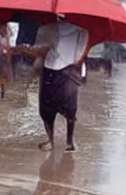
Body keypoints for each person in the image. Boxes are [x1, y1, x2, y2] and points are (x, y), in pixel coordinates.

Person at [10, 18, 89, 152]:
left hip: (52, 70)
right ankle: (69, 142)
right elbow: (81, 54)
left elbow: (40, 50)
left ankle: (51, 141)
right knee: (70, 109)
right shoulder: (83, 30)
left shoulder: (50, 28)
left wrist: (21, 49)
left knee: (46, 110)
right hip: (72, 72)